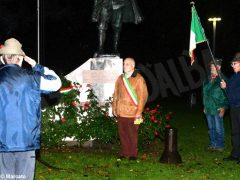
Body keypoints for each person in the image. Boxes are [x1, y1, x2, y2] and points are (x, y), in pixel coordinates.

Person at [0, 38, 62, 179]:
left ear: (3, 59)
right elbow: (56, 82)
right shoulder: (32, 78)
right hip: (26, 140)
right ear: (21, 59)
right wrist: (36, 65)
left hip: (2, 141)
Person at [112, 57, 148, 160]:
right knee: (122, 133)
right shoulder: (120, 78)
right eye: (124, 64)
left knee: (132, 134)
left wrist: (139, 111)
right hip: (121, 111)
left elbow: (143, 96)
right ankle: (124, 153)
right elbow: (116, 94)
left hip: (133, 112)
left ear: (133, 66)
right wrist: (114, 107)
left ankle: (132, 154)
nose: (124, 65)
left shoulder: (139, 79)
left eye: (127, 64)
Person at [202, 59, 228, 152]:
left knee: (218, 128)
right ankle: (213, 144)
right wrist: (204, 105)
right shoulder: (207, 79)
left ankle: (220, 145)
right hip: (209, 107)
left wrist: (224, 107)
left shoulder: (223, 79)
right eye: (211, 66)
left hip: (218, 107)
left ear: (219, 67)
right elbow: (205, 93)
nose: (212, 67)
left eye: (214, 66)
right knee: (211, 127)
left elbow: (227, 95)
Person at [221, 52, 240, 162]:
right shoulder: (233, 77)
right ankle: (235, 154)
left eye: (235, 63)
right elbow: (229, 94)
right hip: (234, 108)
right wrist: (225, 87)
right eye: (232, 64)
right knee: (235, 132)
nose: (232, 66)